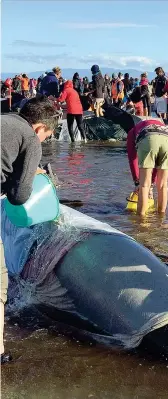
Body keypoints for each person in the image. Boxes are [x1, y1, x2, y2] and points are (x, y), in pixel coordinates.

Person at [1, 95, 59, 364]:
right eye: (46, 136)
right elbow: (19, 197)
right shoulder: (30, 138)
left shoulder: (5, 121)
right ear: (39, 128)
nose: (43, 142)